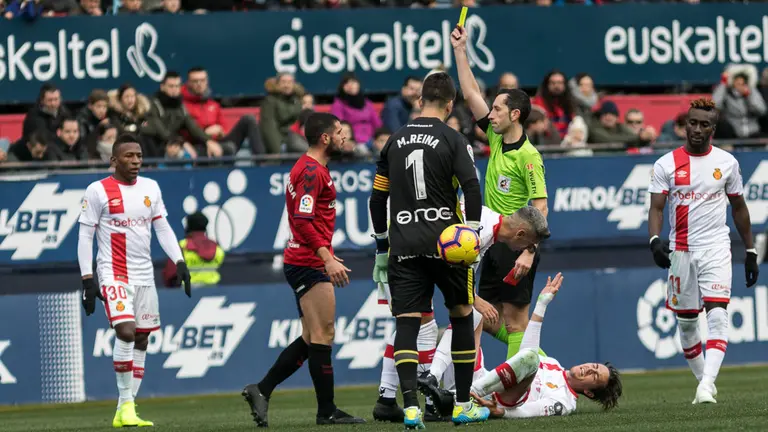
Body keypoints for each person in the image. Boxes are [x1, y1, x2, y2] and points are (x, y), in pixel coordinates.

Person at [369, 71, 486, 429]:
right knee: (462, 315)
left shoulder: (393, 141)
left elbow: (377, 200)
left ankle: (409, 408)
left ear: (419, 101)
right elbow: (471, 188)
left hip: (404, 245)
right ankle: (463, 404)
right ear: (451, 105)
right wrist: (474, 232)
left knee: (406, 324)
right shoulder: (454, 139)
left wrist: (381, 248)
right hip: (447, 244)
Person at [242, 113, 365, 427]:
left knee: (313, 338)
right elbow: (302, 220)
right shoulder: (312, 171)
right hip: (308, 263)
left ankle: (262, 389)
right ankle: (327, 411)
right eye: (339, 132)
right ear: (325, 138)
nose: (343, 136)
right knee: (323, 335)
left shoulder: (308, 167)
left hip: (300, 260)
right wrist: (327, 258)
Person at [375, 204, 550, 423]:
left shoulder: (485, 224)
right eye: (528, 246)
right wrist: (475, 300)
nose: (524, 250)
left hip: (407, 244)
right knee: (423, 324)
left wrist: (474, 300)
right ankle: (421, 395)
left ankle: (393, 397)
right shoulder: (479, 231)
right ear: (520, 233)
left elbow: (460, 277)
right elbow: (453, 275)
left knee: (425, 322)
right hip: (407, 255)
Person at [647, 98, 759, 404]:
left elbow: (739, 208)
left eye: (704, 124)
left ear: (713, 128)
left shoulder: (727, 163)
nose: (697, 129)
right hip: (680, 252)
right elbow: (656, 207)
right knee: (686, 323)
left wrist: (750, 250)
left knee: (718, 315)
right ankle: (703, 384)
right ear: (684, 125)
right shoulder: (665, 164)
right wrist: (655, 240)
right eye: (692, 123)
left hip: (716, 248)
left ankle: (707, 383)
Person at [77, 133, 191, 427]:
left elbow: (163, 228)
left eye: (139, 156)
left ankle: (125, 408)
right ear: (114, 160)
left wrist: (179, 261)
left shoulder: (151, 188)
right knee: (126, 331)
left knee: (142, 337)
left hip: (143, 273)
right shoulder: (97, 190)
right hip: (112, 272)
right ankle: (127, 404)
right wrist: (88, 280)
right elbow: (85, 236)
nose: (136, 161)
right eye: (129, 156)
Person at [453, 25, 549, 362]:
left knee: (515, 318)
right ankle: (528, 359)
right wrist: (461, 51)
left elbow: (540, 207)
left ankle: (516, 389)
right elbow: (469, 95)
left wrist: (529, 252)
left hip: (515, 242)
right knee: (481, 313)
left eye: (496, 109)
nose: (489, 113)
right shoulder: (495, 138)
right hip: (489, 238)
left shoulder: (529, 157)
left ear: (514, 115)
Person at [421, 274, 623, 419]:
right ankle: (435, 384)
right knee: (473, 315)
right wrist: (542, 302)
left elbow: (531, 410)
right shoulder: (553, 363)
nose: (588, 369)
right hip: (479, 380)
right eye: (594, 366)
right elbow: (525, 351)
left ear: (588, 392)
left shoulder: (565, 402)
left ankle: (459, 398)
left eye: (594, 376)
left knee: (532, 359)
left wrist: (501, 412)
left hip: (498, 400)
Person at [163, 211, 224, 288]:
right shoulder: (217, 248)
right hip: (213, 290)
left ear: (188, 227)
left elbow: (170, 274)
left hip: (186, 293)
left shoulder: (182, 246)